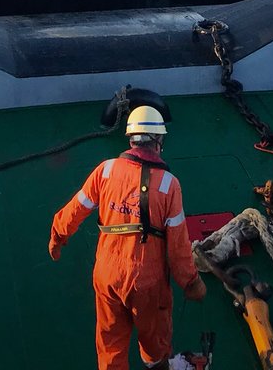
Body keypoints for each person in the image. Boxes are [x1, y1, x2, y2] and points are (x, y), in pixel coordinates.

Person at [49, 105, 206, 370]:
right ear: (158, 141)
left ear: (131, 139)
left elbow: (76, 208)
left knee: (110, 344)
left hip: (107, 275)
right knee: (154, 340)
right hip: (146, 279)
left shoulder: (106, 170)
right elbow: (178, 248)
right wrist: (191, 283)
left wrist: (58, 235)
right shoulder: (169, 185)